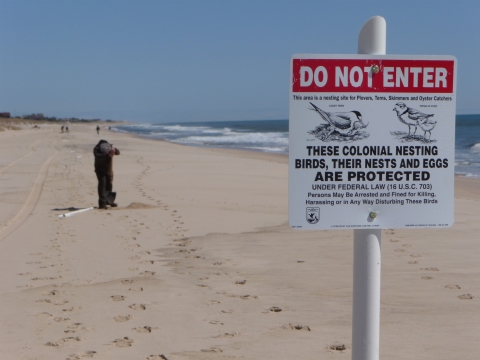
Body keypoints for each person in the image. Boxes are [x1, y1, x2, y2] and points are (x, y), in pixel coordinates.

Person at [93, 140, 120, 209]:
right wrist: (107, 155)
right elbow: (98, 156)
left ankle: (109, 201)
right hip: (99, 170)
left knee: (109, 184)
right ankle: (102, 204)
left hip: (108, 169)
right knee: (102, 185)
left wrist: (114, 151)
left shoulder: (110, 147)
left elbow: (118, 152)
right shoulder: (96, 149)